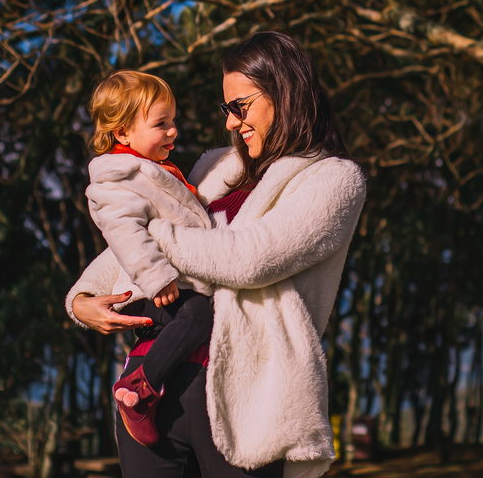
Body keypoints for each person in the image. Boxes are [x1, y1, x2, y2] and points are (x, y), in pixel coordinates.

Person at [67, 32, 367, 478]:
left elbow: (249, 259)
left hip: (240, 398)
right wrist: (81, 299)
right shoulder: (214, 167)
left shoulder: (334, 179)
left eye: (238, 107)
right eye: (226, 109)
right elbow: (128, 244)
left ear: (284, 93)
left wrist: (147, 231)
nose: (229, 122)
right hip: (149, 382)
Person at [85, 70, 216, 447]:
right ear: (123, 133)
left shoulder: (153, 169)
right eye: (161, 124)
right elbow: (124, 233)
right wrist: (156, 277)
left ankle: (141, 386)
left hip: (162, 285)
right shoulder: (116, 178)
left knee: (198, 313)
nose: (173, 131)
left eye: (173, 121)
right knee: (198, 314)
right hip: (148, 288)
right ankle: (141, 389)